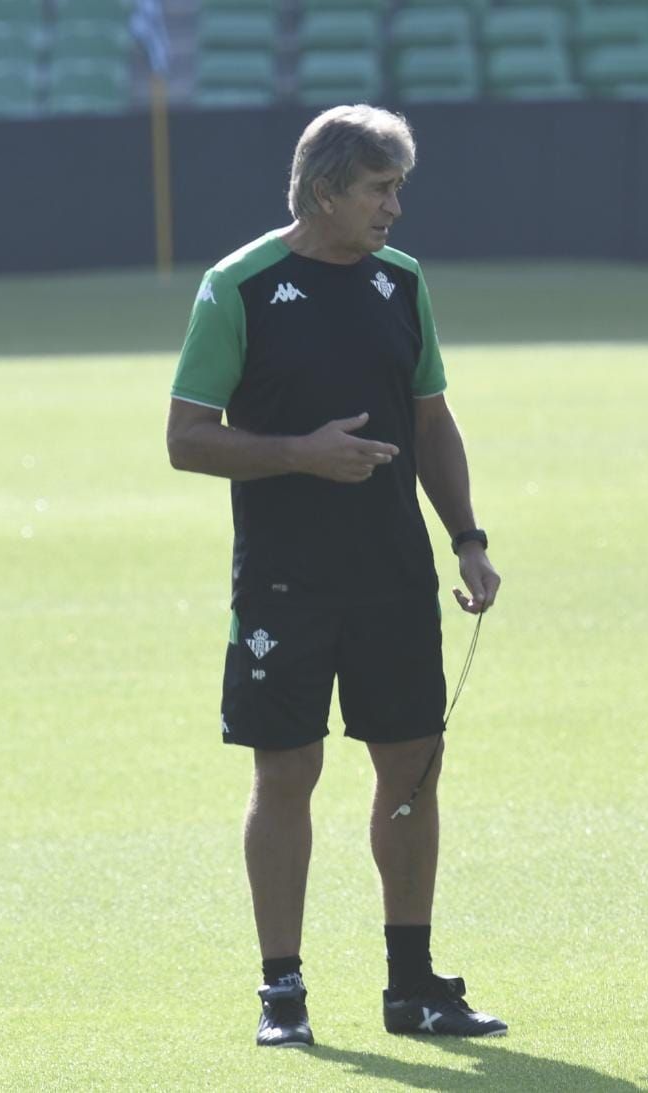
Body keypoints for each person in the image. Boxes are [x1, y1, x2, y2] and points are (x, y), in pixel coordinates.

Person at [165, 104, 506, 1048]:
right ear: (326, 192)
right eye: (379, 189)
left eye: (399, 188)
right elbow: (186, 439)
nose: (395, 208)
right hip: (284, 581)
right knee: (288, 772)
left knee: (411, 769)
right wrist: (301, 455)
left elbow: (431, 419)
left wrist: (468, 538)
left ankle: (413, 986)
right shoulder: (237, 285)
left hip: (394, 573)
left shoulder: (402, 282)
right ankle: (284, 990)